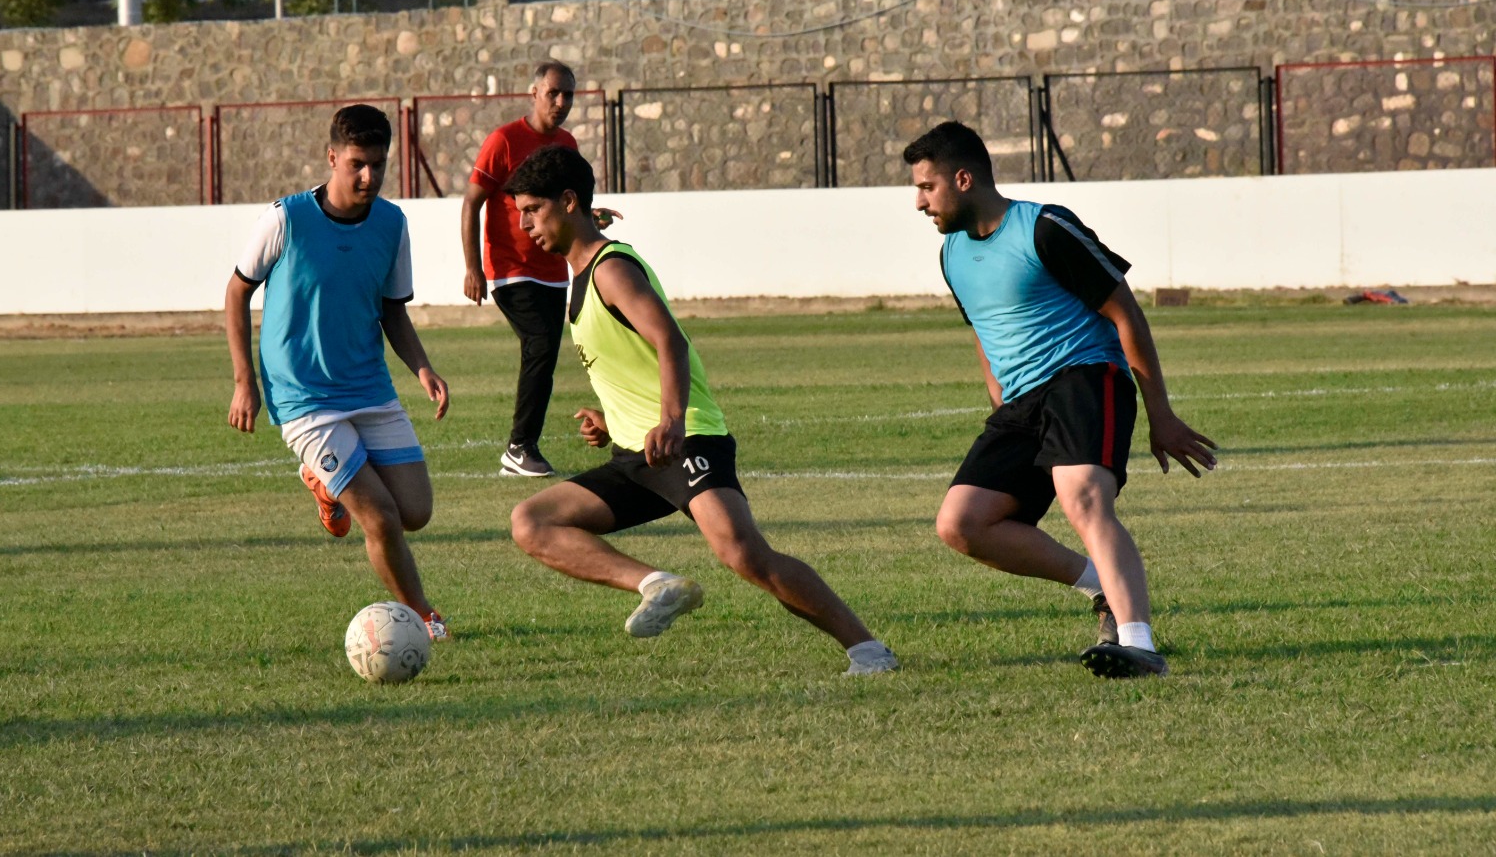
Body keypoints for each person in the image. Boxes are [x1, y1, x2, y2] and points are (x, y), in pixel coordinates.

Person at [503, 146, 898, 676]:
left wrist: (671, 418)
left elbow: (670, 340)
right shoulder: (581, 271)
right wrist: (609, 418)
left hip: (687, 442)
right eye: (520, 212)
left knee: (745, 556)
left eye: (532, 209)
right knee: (532, 522)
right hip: (637, 454)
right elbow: (629, 358)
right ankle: (656, 584)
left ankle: (869, 652)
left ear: (568, 201)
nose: (525, 224)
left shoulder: (610, 270)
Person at [904, 121, 1217, 678]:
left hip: (1085, 376)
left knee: (1084, 496)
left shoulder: (1045, 228)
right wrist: (1001, 401)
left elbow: (1125, 312)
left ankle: (1139, 643)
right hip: (1021, 402)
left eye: (927, 187)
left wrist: (1160, 414)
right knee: (961, 523)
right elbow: (983, 329)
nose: (919, 202)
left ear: (963, 178)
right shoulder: (951, 254)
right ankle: (1100, 585)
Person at [226, 103, 451, 640]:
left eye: (377, 163)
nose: (368, 175)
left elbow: (393, 308)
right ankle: (422, 616)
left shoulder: (392, 224)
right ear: (332, 158)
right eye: (356, 164)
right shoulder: (286, 219)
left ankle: (323, 484)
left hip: (369, 387)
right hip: (302, 397)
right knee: (379, 517)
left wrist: (422, 367)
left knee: (415, 510)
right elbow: (237, 291)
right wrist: (244, 382)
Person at [461, 61, 580, 479]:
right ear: (534, 93)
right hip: (511, 269)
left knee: (545, 352)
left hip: (553, 269)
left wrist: (592, 215)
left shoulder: (567, 144)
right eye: (554, 93)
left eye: (568, 94)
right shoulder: (504, 141)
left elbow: (570, 206)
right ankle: (519, 447)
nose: (561, 102)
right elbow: (472, 202)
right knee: (540, 344)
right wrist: (473, 267)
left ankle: (524, 447)